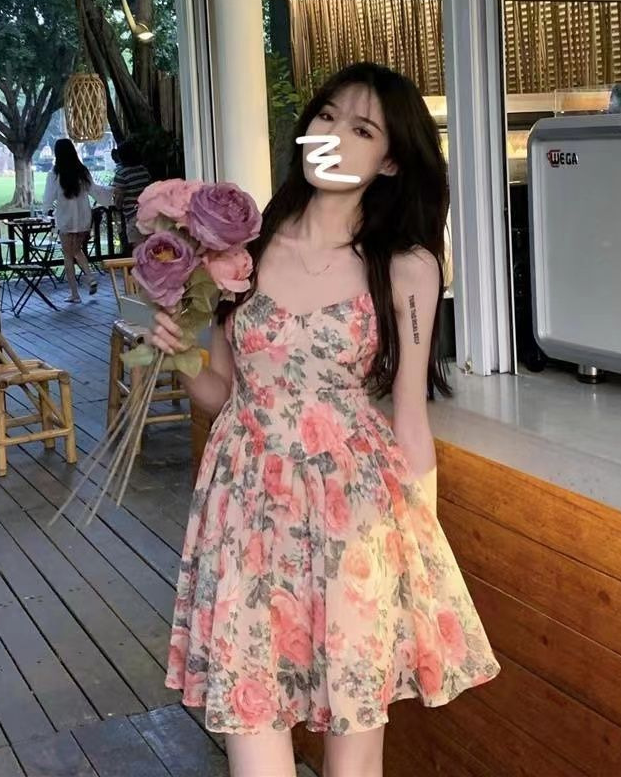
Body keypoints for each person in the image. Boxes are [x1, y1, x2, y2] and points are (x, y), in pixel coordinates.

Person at [151, 62, 500, 777]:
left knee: (354, 745)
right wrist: (180, 354)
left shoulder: (405, 267)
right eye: (327, 117)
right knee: (252, 723)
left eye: (362, 129)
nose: (335, 136)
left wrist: (419, 557)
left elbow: (410, 417)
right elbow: (222, 392)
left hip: (355, 522)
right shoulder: (239, 255)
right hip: (245, 513)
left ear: (391, 160)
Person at [42, 139, 112, 303]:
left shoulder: (54, 174)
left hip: (65, 219)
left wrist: (46, 210)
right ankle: (90, 277)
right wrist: (111, 192)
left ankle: (75, 293)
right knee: (77, 250)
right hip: (83, 219)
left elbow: (48, 197)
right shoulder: (82, 171)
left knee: (68, 255)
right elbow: (95, 190)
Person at [111, 138, 152, 248]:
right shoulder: (143, 170)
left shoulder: (122, 174)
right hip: (149, 213)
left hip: (133, 215)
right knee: (150, 246)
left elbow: (119, 196)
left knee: (138, 248)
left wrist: (117, 205)